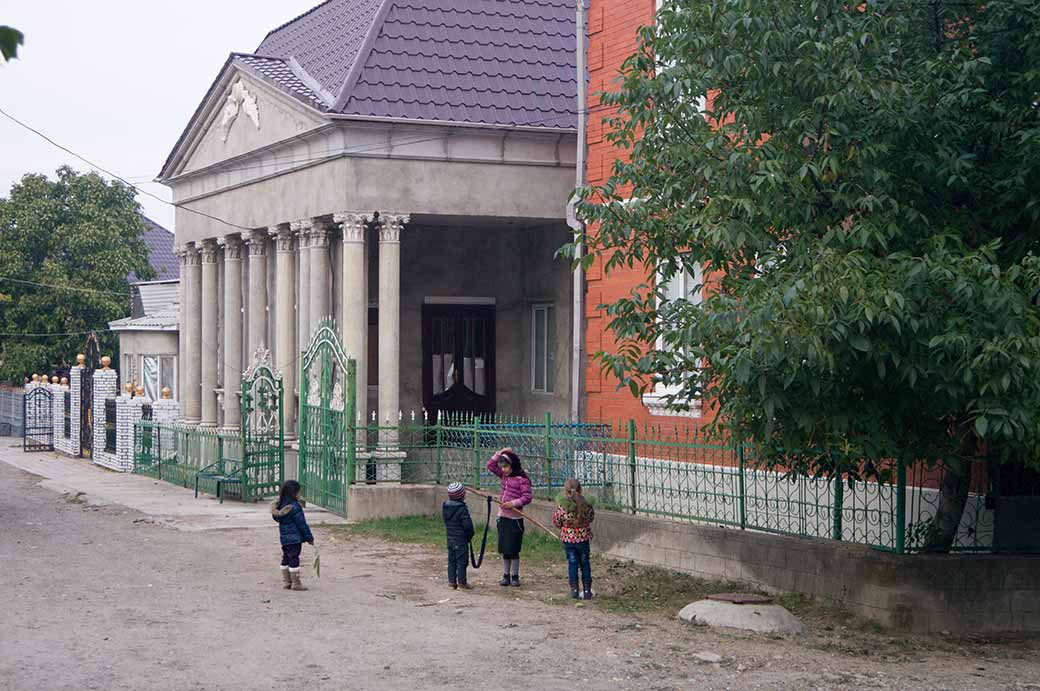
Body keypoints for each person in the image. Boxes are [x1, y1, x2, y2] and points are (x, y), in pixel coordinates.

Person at [487, 447, 533, 586]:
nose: (504, 470)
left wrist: (513, 503)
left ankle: (515, 576)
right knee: (505, 549)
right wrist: (499, 452)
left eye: (506, 467)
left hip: (515, 519)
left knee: (513, 549)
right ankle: (505, 575)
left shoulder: (522, 479)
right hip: (503, 518)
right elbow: (490, 465)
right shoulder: (503, 476)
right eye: (502, 467)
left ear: (513, 465)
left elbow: (527, 497)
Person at [552, 478, 596, 600]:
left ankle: (574, 590)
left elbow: (556, 521)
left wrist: (564, 526)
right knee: (585, 563)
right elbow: (591, 518)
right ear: (580, 490)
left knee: (572, 564)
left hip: (569, 540)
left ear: (566, 492)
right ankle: (587, 590)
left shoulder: (563, 507)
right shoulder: (587, 505)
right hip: (583, 539)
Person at [271, 480, 314, 591]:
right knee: (294, 558)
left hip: (284, 539)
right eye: (299, 492)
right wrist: (309, 538)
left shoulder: (280, 507)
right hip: (294, 539)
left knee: (286, 557)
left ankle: (287, 581)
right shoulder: (295, 507)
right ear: (293, 493)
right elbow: (302, 524)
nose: (300, 494)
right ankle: (296, 583)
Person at [442, 482, 475, 590]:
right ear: (462, 495)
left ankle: (452, 582)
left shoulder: (445, 506)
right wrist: (470, 535)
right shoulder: (462, 509)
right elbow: (468, 526)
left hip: (450, 539)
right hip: (461, 540)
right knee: (462, 562)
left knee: (452, 562)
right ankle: (462, 583)